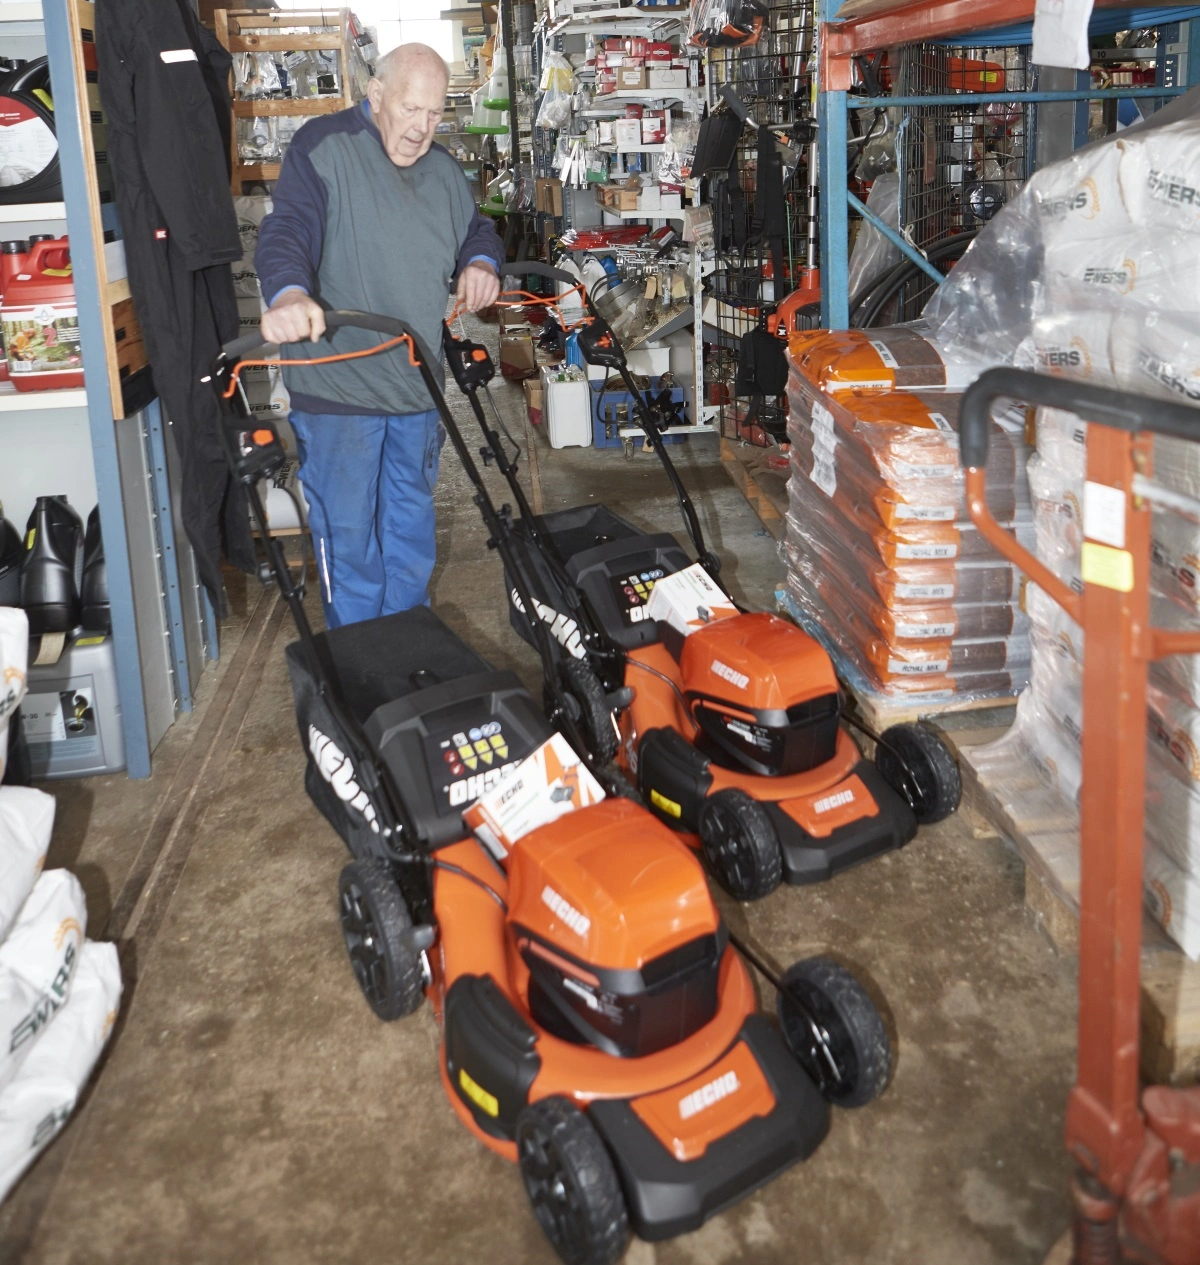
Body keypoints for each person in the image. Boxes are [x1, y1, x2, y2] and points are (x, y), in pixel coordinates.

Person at [256, 43, 502, 628]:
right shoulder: (324, 148)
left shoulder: (443, 173)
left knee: (409, 535)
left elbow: (477, 229)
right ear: (376, 96)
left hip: (415, 391)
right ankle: (363, 663)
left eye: (435, 114)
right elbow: (286, 228)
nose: (421, 129)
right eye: (411, 109)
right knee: (349, 542)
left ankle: (408, 655)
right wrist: (289, 292)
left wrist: (482, 263)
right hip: (338, 390)